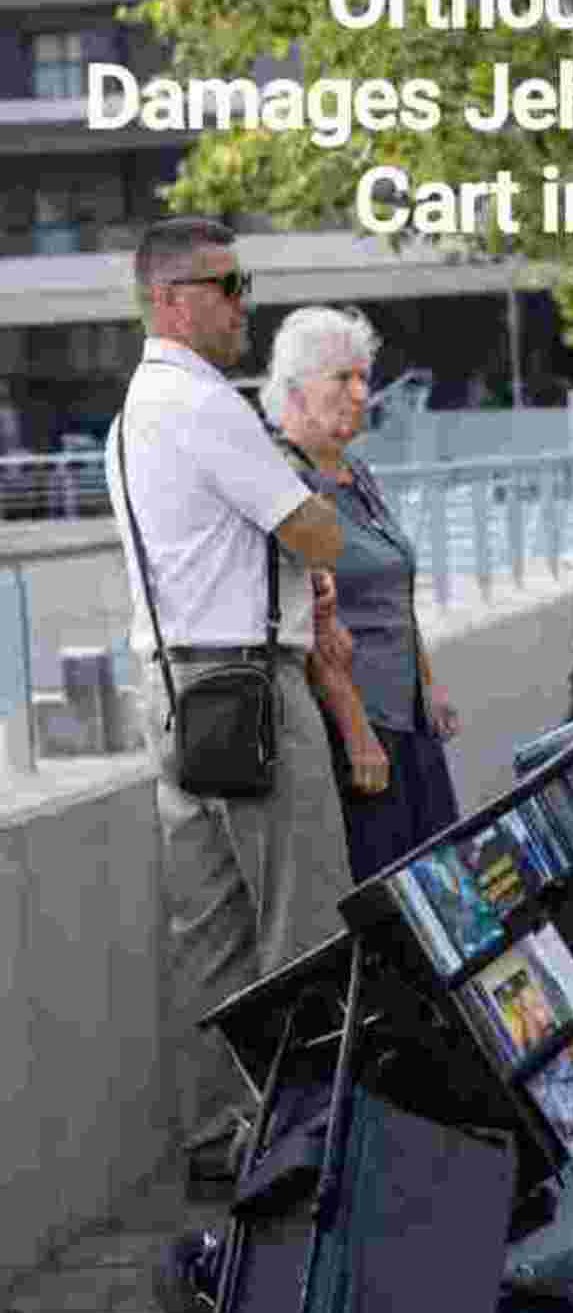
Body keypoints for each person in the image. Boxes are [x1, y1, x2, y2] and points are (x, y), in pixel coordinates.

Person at [105, 217, 353, 1129]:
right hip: (250, 689)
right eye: (228, 286)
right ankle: (307, 1134)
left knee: (209, 933)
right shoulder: (206, 403)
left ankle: (220, 1134)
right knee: (303, 922)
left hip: (174, 692)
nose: (245, 303)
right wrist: (315, 507)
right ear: (171, 300)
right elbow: (318, 533)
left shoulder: (132, 412)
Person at [260, 305, 461, 885]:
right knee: (394, 895)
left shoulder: (357, 474)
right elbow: (316, 623)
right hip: (361, 728)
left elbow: (396, 585)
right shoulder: (286, 482)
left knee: (450, 882)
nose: (359, 393)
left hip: (409, 715)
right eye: (341, 378)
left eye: (362, 377)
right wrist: (357, 735)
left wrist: (429, 683)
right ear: (295, 390)